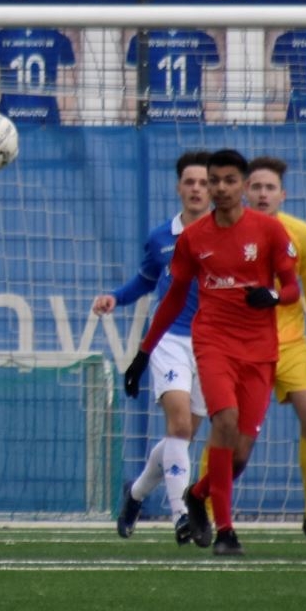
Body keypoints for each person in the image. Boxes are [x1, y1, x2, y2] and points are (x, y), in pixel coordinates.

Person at [124, 149, 301, 556]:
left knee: (239, 455)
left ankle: (197, 493)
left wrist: (274, 296)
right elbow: (172, 298)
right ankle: (226, 531)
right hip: (213, 343)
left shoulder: (269, 231)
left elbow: (292, 287)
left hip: (259, 349)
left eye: (228, 181)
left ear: (243, 185)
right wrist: (143, 353)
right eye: (214, 180)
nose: (220, 188)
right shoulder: (193, 238)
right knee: (224, 421)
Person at [93, 150, 211, 544]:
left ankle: (137, 492)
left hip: (211, 342)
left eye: (204, 182)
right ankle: (181, 516)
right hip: (170, 338)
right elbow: (145, 281)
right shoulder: (162, 238)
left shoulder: (226, 235)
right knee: (178, 426)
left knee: (184, 437)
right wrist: (115, 297)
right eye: (190, 182)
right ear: (178, 187)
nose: (196, 189)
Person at [244, 157, 306, 538]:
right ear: (244, 191)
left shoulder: (299, 233)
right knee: (234, 437)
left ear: (282, 194)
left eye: (270, 188)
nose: (263, 194)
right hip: (244, 344)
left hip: (290, 344)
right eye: (256, 187)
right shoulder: (229, 231)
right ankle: (204, 506)